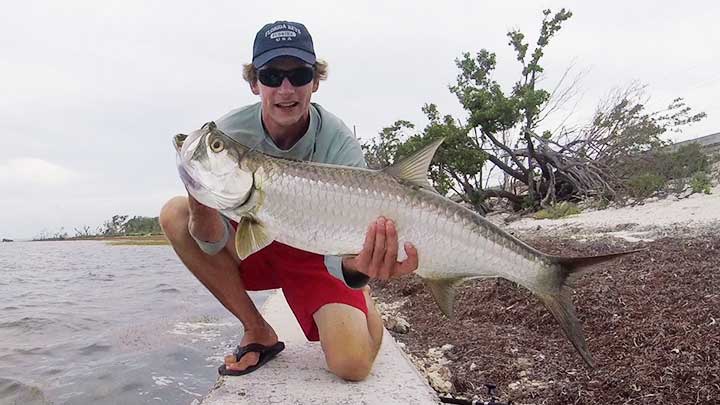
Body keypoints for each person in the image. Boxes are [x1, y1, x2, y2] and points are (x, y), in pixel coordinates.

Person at [160, 20, 418, 381]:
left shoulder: (338, 141)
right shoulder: (227, 133)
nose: (286, 89)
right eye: (270, 75)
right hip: (255, 240)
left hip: (318, 252)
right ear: (254, 82)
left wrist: (359, 269)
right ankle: (257, 329)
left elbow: (344, 246)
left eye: (299, 74)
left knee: (352, 367)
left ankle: (364, 306)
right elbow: (212, 242)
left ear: (315, 81)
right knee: (174, 213)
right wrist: (198, 193)